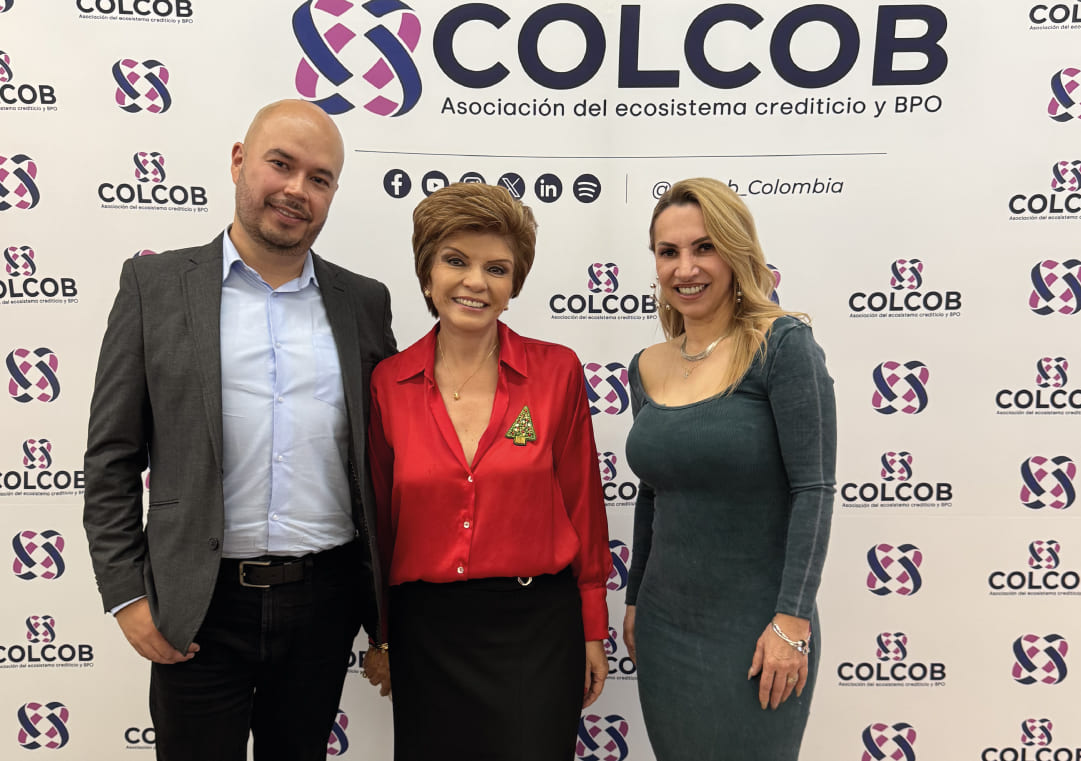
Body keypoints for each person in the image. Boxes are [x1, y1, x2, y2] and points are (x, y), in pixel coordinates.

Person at [82, 99, 396, 761]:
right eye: (281, 164)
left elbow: (382, 461)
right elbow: (112, 455)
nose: (296, 189)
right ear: (238, 161)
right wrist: (126, 594)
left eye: (319, 178)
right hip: (198, 603)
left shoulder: (363, 303)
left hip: (324, 602)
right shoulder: (154, 286)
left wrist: (383, 612)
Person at [365, 182, 611, 761]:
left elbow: (583, 506)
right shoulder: (388, 383)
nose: (475, 281)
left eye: (496, 269)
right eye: (456, 261)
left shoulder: (556, 372)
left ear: (512, 285)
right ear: (428, 275)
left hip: (536, 631)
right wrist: (381, 634)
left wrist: (591, 627)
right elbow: (379, 525)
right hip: (426, 634)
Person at [623, 178, 836, 760]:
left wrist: (792, 621)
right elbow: (652, 496)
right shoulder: (645, 366)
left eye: (704, 247)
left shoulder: (783, 346)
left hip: (760, 630)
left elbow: (813, 489)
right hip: (664, 625)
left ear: (737, 251)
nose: (685, 268)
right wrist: (635, 599)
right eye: (668, 252)